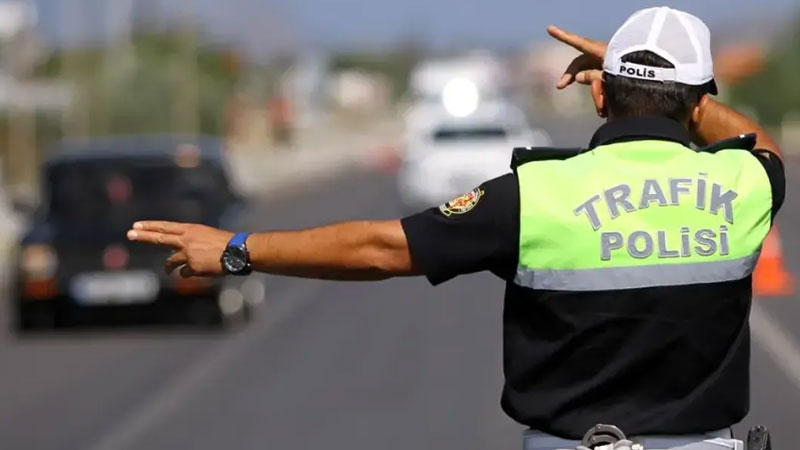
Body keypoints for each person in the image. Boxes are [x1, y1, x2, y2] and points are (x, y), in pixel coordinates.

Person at [128, 7, 785, 450]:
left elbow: (382, 247)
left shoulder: (533, 195)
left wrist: (239, 251)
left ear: (598, 94)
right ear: (699, 102)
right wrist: (663, 86)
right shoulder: (746, 185)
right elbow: (756, 144)